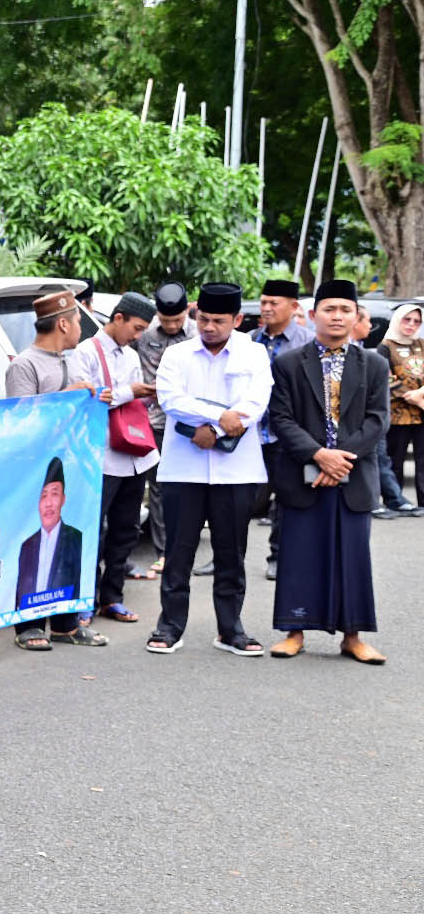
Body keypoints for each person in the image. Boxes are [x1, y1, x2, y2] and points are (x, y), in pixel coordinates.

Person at [145, 282, 272, 657]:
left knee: (231, 552)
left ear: (238, 319)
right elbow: (170, 399)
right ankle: (169, 627)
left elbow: (256, 402)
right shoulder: (177, 355)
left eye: (219, 321)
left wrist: (213, 430)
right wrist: (218, 416)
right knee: (178, 551)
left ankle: (230, 630)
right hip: (183, 468)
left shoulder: (254, 353)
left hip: (236, 469)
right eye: (204, 319)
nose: (209, 327)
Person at [266, 280, 388, 663]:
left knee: (353, 557)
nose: (337, 316)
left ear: (356, 317)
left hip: (353, 475)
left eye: (345, 310)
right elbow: (281, 419)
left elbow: (377, 421)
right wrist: (320, 455)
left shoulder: (374, 364)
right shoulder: (289, 362)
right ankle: (294, 630)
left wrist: (339, 459)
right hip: (304, 471)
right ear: (314, 314)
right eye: (330, 309)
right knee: (299, 553)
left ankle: (353, 636)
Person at [4, 289, 103, 651]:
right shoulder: (24, 365)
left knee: (70, 543)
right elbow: (24, 422)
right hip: (37, 475)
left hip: (75, 470)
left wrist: (94, 399)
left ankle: (66, 623)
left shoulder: (74, 360)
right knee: (35, 546)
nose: (80, 328)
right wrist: (68, 396)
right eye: (78, 321)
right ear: (63, 323)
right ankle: (29, 625)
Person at [69, 291, 159, 623]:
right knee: (95, 528)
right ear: (117, 318)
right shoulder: (85, 353)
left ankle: (113, 597)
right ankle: (85, 602)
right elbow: (86, 401)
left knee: (127, 529)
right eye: (136, 328)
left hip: (134, 455)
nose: (138, 336)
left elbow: (131, 403)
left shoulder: (131, 356)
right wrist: (128, 393)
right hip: (102, 455)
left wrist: (148, 396)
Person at [250, 279, 315, 581]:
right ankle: (228, 557)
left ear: (293, 306)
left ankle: (278, 555)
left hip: (286, 434)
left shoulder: (307, 342)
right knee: (238, 500)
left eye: (273, 303)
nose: (266, 308)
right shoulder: (249, 341)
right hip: (249, 433)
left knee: (284, 497)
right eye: (263, 302)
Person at [136, 281, 196, 561]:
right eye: (165, 320)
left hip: (192, 423)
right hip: (156, 423)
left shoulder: (199, 334)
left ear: (186, 311)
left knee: (189, 488)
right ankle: (164, 552)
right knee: (159, 489)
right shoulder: (145, 336)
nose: (172, 326)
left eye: (177, 320)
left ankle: (186, 548)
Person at [13, 457, 84, 606]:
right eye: (43, 496)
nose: (49, 503)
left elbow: (79, 586)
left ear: (63, 499)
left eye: (55, 494)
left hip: (64, 615)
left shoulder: (76, 539)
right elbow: (20, 595)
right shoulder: (27, 546)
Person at [377, 303, 424, 505]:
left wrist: (420, 394)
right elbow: (383, 378)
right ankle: (396, 501)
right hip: (397, 414)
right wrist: (410, 395)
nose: (411, 324)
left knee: (423, 462)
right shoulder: (385, 346)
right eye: (407, 319)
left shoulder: (421, 344)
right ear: (397, 319)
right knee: (394, 460)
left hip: (421, 412)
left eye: (416, 321)